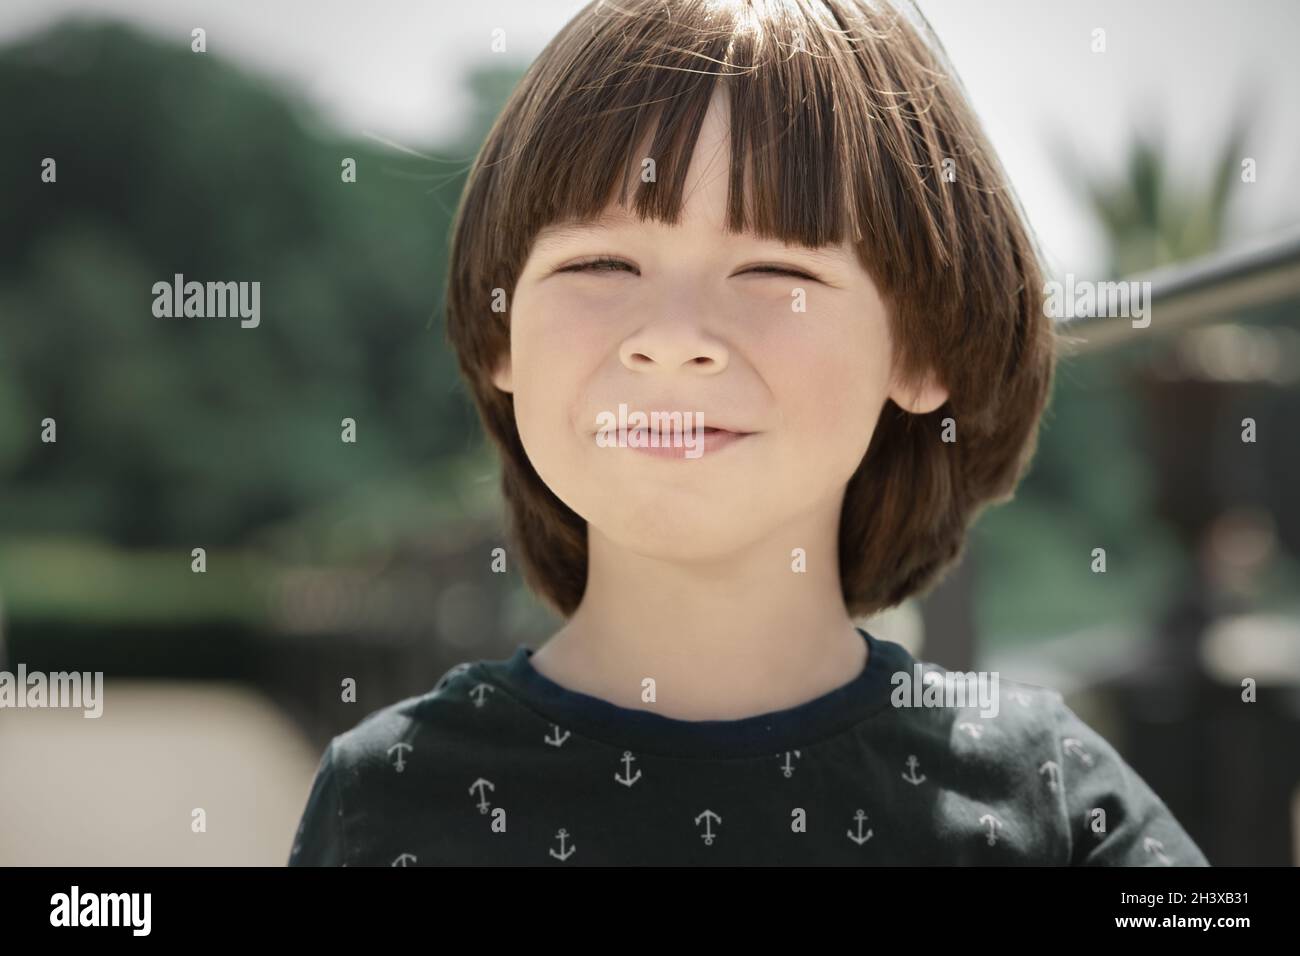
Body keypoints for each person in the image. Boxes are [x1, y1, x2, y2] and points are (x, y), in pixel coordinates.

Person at [289, 0, 1208, 866]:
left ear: (924, 348)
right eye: (601, 262)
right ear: (501, 335)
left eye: (774, 267)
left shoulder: (1050, 807)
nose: (673, 339)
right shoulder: (388, 800)